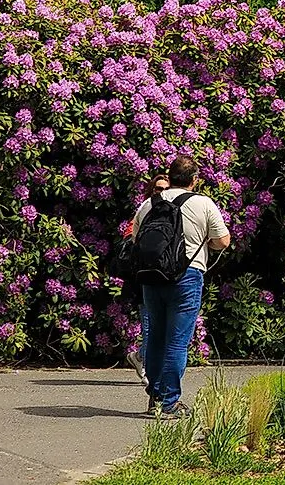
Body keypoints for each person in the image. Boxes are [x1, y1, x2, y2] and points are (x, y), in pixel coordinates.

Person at [132, 156, 230, 416]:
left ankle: (155, 396)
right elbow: (223, 240)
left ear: (170, 175)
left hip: (152, 277)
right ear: (194, 179)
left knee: (155, 338)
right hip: (187, 277)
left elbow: (135, 238)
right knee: (177, 341)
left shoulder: (148, 204)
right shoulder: (203, 203)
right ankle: (170, 402)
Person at [120, 168, 169, 393]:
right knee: (149, 327)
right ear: (151, 190)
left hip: (165, 279)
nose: (162, 193)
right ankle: (150, 375)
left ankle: (140, 357)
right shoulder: (144, 211)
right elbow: (130, 238)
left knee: (162, 328)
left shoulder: (172, 213)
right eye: (158, 189)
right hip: (143, 279)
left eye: (166, 189)